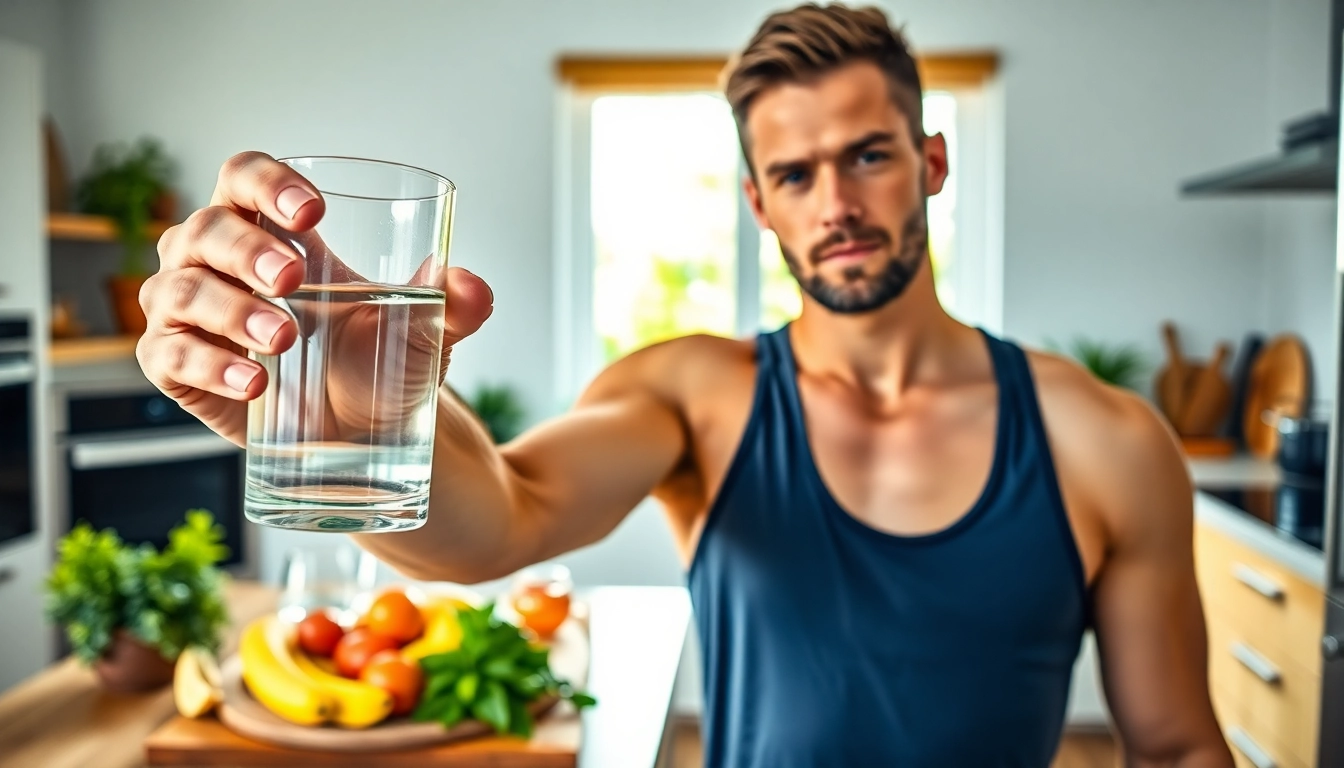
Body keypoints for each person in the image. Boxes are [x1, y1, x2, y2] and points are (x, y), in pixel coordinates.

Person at [136, 3, 1232, 766]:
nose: (835, 204)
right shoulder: (698, 395)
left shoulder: (1104, 439)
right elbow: (505, 515)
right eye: (794, 174)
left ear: (931, 163)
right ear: (759, 204)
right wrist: (368, 424)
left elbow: (1179, 746)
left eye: (868, 155)